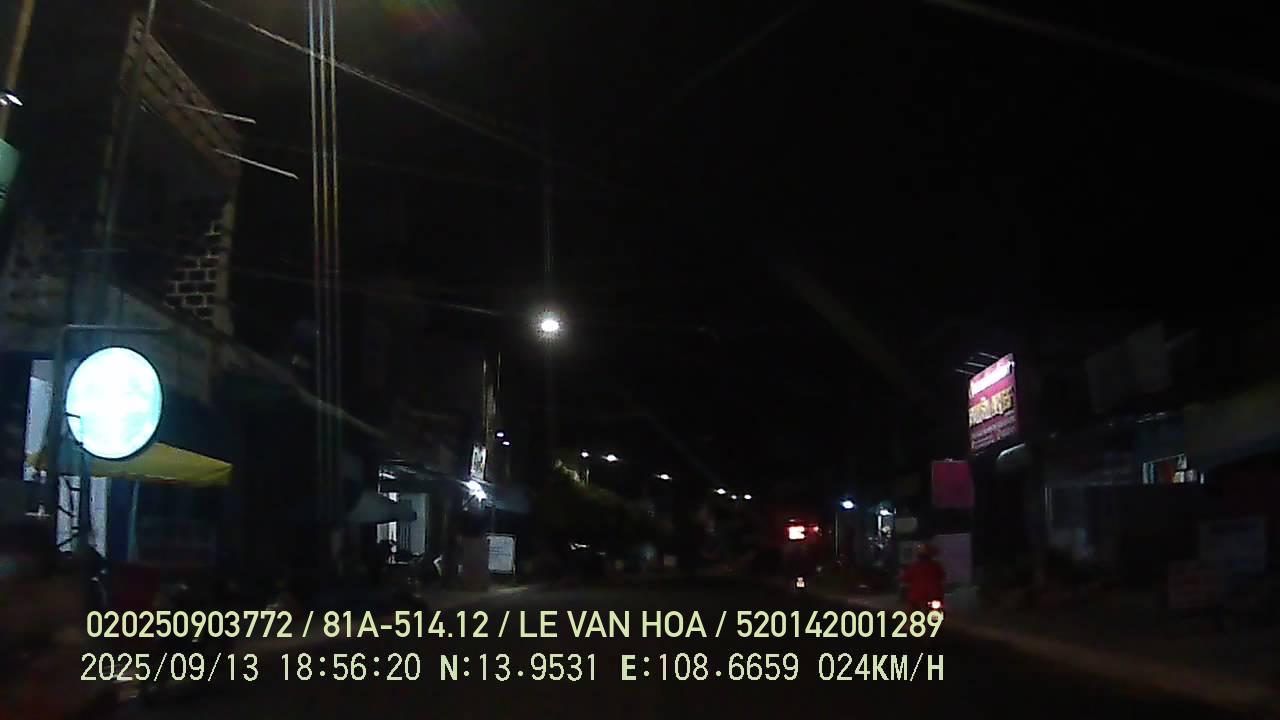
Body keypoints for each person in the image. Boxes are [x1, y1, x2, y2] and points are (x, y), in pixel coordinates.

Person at [901, 543, 946, 609]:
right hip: (934, 594)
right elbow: (942, 576)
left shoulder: (914, 566)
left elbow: (905, 578)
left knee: (913, 610)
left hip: (916, 595)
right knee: (936, 611)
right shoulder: (936, 566)